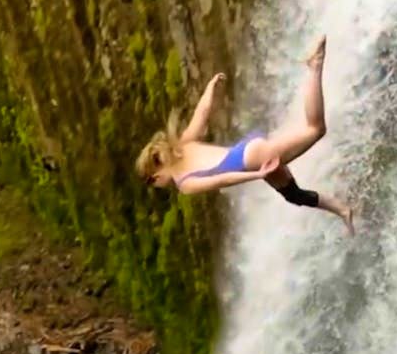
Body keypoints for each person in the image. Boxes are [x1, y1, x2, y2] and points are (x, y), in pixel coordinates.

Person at [135, 35, 355, 235]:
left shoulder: (184, 183)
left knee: (315, 129)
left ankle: (315, 66)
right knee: (293, 195)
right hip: (248, 149)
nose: (158, 187)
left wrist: (259, 174)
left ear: (155, 176)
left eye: (152, 183)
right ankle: (343, 210)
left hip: (255, 158)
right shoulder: (183, 144)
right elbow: (201, 113)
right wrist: (210, 87)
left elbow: (224, 179)